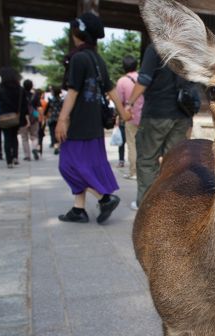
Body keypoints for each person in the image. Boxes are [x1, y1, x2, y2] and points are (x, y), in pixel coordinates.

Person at [54, 12, 130, 224]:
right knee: (85, 164)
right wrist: (123, 113)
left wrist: (61, 120)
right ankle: (78, 209)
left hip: (78, 123)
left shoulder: (78, 58)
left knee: (68, 165)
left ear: (79, 33)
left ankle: (104, 198)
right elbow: (110, 89)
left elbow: (73, 92)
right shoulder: (97, 59)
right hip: (94, 124)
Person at [125, 43, 195, 210]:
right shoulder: (186, 49)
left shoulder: (156, 48)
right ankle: (170, 204)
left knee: (147, 160)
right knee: (175, 162)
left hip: (156, 113)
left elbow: (144, 79)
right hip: (182, 114)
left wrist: (130, 103)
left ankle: (146, 205)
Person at [0, 67, 30, 168]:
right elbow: (25, 105)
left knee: (7, 137)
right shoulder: (20, 89)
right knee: (14, 136)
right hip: (16, 117)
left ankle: (9, 161)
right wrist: (25, 118)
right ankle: (15, 156)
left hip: (4, 117)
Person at [115, 54, 143, 179]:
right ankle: (145, 172)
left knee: (132, 145)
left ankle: (134, 172)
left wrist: (120, 115)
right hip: (146, 117)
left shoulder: (122, 81)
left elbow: (119, 101)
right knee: (146, 145)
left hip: (130, 116)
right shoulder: (142, 78)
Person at [19, 79, 39, 161]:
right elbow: (38, 108)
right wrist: (36, 117)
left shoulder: (20, 96)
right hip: (33, 117)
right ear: (31, 86)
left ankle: (27, 155)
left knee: (24, 138)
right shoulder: (34, 96)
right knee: (34, 136)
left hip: (23, 118)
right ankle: (34, 148)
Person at [44, 86, 63, 153]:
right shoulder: (62, 100)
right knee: (60, 133)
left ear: (53, 92)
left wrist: (45, 116)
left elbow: (46, 111)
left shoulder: (50, 101)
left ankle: (55, 145)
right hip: (60, 119)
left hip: (52, 118)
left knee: (52, 133)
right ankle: (59, 145)